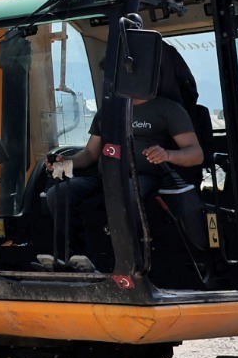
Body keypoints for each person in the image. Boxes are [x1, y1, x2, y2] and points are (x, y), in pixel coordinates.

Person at [44, 42, 205, 268]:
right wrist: (64, 163)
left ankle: (121, 262)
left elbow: (195, 154)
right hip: (106, 178)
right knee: (56, 194)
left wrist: (166, 154)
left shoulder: (167, 109)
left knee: (125, 193)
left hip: (145, 179)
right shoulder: (107, 113)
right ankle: (78, 255)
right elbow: (90, 154)